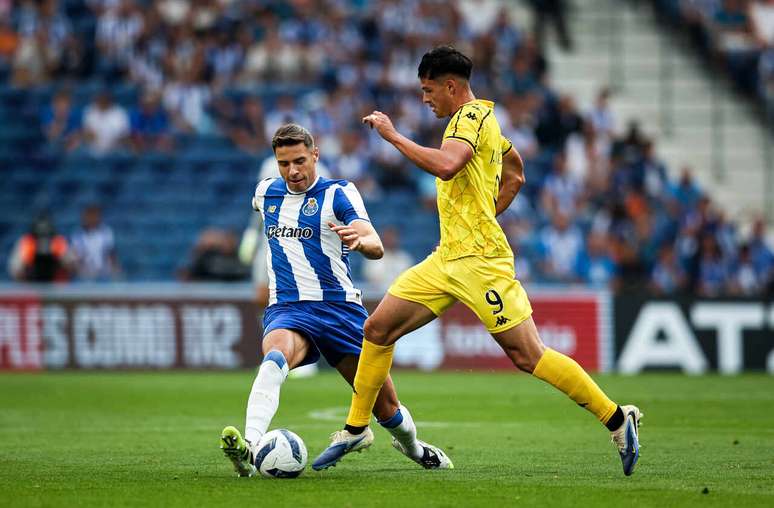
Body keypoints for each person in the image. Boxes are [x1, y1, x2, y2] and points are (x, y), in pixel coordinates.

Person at [313, 46, 643, 476]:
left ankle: (618, 419)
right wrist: (484, 210)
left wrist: (393, 136)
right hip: (447, 257)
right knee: (376, 329)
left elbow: (449, 166)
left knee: (528, 355)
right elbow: (517, 171)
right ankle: (357, 427)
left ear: (452, 86)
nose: (425, 99)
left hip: (482, 261)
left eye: (429, 90)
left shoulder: (470, 118)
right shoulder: (485, 122)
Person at [220, 124, 451, 477]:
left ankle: (415, 448)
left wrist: (363, 243)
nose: (293, 171)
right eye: (284, 163)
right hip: (288, 308)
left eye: (299, 160)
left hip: (339, 311)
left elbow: (375, 243)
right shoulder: (265, 193)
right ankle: (249, 448)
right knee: (273, 358)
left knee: (386, 408)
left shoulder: (339, 193)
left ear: (315, 155)